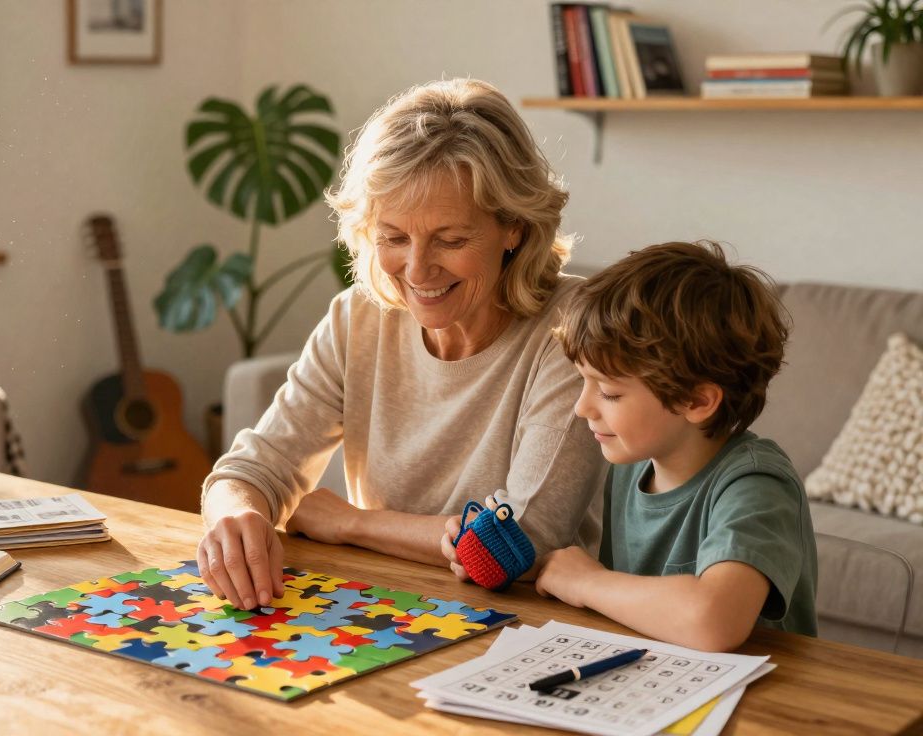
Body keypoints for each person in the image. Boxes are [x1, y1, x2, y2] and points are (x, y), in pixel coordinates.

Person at [197, 78, 607, 610]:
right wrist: (237, 515)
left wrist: (349, 522)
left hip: (524, 625)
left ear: (515, 229)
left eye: (450, 239)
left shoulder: (574, 327)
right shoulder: (357, 317)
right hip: (378, 607)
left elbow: (523, 540)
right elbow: (254, 467)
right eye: (393, 237)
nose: (415, 270)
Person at [532, 241, 818, 651]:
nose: (582, 408)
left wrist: (586, 581)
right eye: (583, 380)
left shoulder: (756, 485)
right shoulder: (633, 463)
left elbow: (713, 620)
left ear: (696, 401)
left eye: (610, 393)